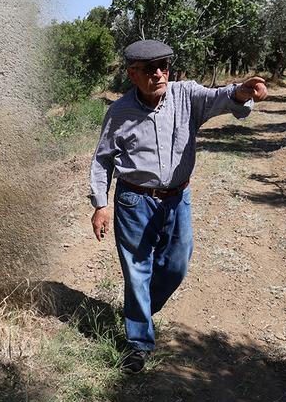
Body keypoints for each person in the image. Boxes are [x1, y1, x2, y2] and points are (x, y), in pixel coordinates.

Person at [88, 39, 267, 373]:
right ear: (132, 74)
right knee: (137, 270)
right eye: (150, 68)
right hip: (133, 199)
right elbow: (102, 161)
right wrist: (100, 204)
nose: (159, 74)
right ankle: (139, 341)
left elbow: (221, 98)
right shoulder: (119, 112)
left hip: (177, 198)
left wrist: (243, 92)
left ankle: (137, 310)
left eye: (164, 66)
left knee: (176, 266)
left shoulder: (186, 95)